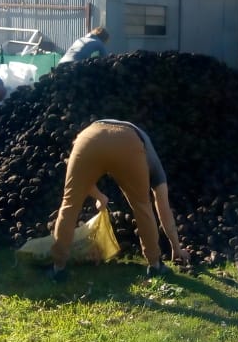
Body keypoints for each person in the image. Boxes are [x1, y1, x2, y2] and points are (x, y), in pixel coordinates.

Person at [48, 120, 190, 279]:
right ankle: (155, 265)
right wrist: (176, 247)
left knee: (69, 203)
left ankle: (58, 268)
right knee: (142, 205)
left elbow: (81, 181)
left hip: (88, 137)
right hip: (127, 140)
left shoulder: (89, 136)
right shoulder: (155, 165)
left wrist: (99, 196)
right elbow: (163, 207)